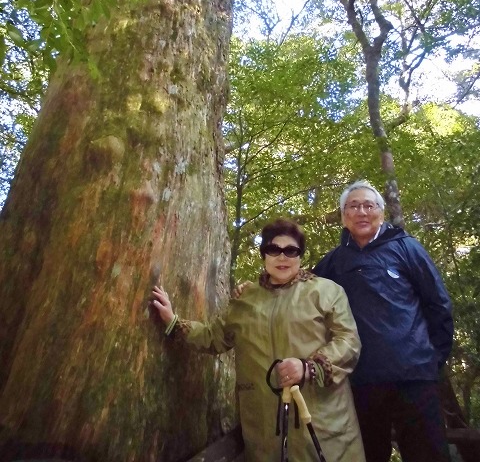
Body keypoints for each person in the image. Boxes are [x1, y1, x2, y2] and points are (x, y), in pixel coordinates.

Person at [151, 218, 366, 462]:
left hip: (321, 423)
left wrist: (308, 367)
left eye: (291, 250)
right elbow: (214, 338)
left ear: (300, 256)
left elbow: (349, 341)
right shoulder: (246, 299)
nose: (282, 257)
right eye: (274, 249)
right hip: (264, 430)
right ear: (263, 255)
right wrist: (172, 321)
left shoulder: (326, 291)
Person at [313, 180, 454, 462]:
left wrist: (433, 359)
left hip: (414, 377)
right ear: (343, 216)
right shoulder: (333, 262)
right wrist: (257, 288)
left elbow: (438, 305)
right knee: (368, 455)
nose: (362, 212)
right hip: (361, 380)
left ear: (381, 211)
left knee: (427, 454)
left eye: (369, 205)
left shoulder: (407, 248)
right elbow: (301, 293)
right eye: (353, 206)